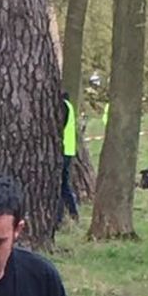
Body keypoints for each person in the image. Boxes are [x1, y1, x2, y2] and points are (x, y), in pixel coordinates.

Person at [59, 95, 80, 223]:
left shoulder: (62, 106)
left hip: (63, 150)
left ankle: (70, 213)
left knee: (62, 185)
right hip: (68, 149)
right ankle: (70, 213)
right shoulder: (68, 104)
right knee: (63, 184)